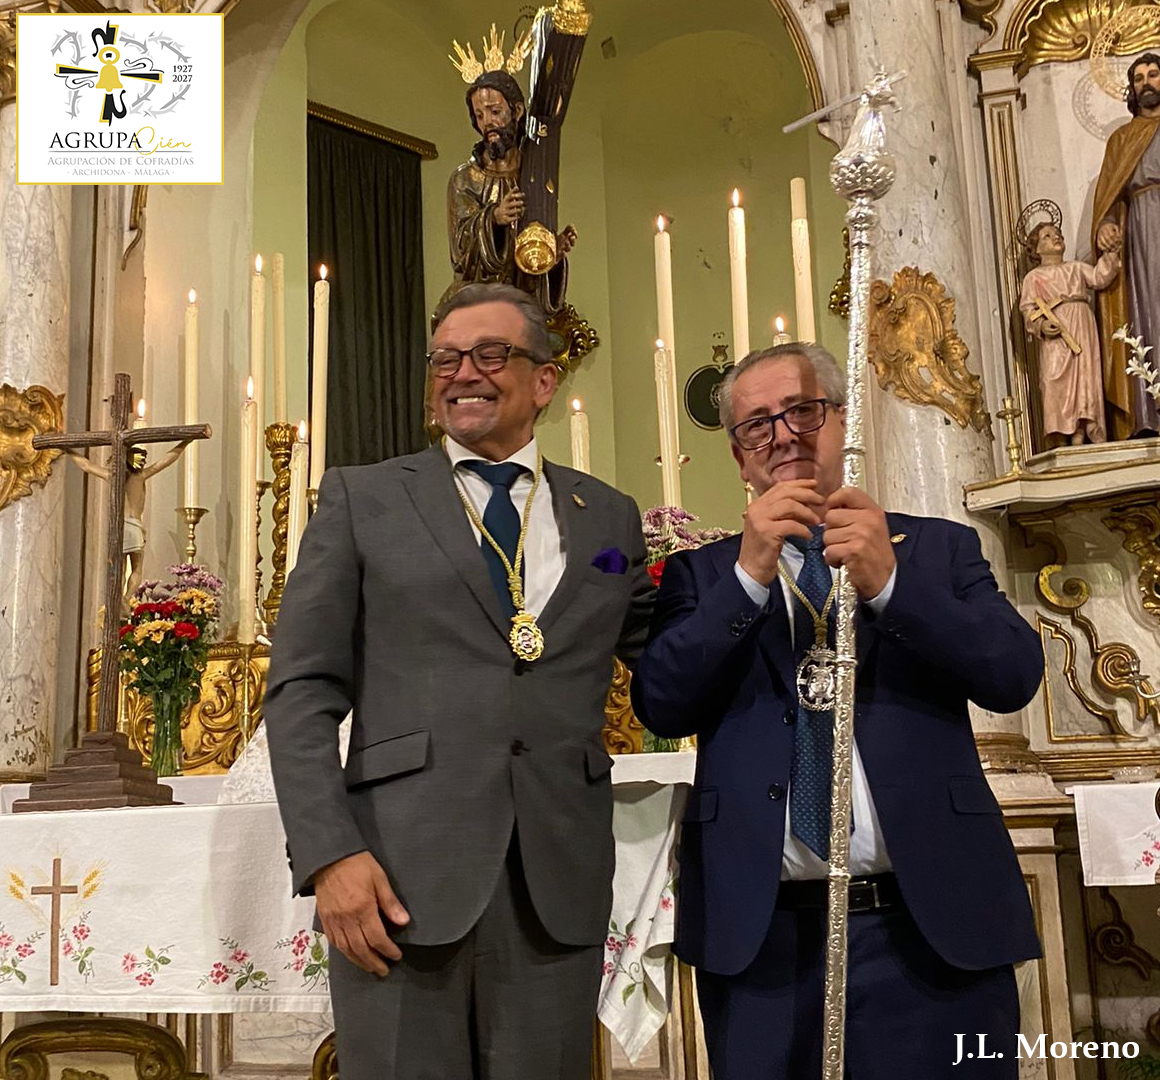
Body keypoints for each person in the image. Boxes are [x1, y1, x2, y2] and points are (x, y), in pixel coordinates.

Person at [264, 282, 654, 1080]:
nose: (462, 373)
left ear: (544, 381)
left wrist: (757, 575)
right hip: (397, 879)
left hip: (557, 880)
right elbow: (302, 689)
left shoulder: (608, 517)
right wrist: (330, 855)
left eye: (489, 354)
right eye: (444, 358)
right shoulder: (363, 498)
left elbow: (664, 655)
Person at [631, 343, 1044, 1079]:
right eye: (757, 424)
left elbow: (1013, 676)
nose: (783, 435)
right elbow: (661, 700)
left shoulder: (938, 550)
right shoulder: (699, 574)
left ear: (843, 420)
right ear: (739, 456)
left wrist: (890, 583)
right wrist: (749, 575)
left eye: (803, 411)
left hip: (929, 930)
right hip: (765, 943)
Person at [445, 70, 576, 313]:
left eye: (495, 112)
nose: (487, 122)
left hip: (522, 310)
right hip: (479, 308)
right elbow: (460, 252)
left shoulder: (533, 177)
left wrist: (550, 255)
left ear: (516, 111)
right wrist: (494, 218)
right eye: (479, 115)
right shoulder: (464, 179)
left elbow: (529, 273)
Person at [1092, 52, 1160, 438]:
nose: (1146, 83)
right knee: (1149, 311)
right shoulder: (1121, 139)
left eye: (1153, 74)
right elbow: (1110, 194)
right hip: (1143, 229)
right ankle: (1149, 412)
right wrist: (1105, 224)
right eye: (1138, 78)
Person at [1019, 219, 1119, 446]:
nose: (1055, 237)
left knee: (1085, 376)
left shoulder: (1076, 268)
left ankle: (1082, 429)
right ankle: (1060, 434)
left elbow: (1099, 277)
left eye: (1058, 233)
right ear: (1036, 249)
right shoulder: (1033, 278)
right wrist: (1041, 325)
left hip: (1081, 324)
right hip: (1056, 331)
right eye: (1047, 236)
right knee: (1052, 379)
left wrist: (1111, 252)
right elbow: (1028, 309)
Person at [64, 440, 192, 610]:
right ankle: (127, 596)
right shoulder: (141, 476)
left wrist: (68, 449)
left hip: (120, 527)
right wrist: (185, 442)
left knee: (120, 568)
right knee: (137, 568)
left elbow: (86, 465)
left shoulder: (113, 476)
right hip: (135, 526)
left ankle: (119, 599)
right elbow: (167, 460)